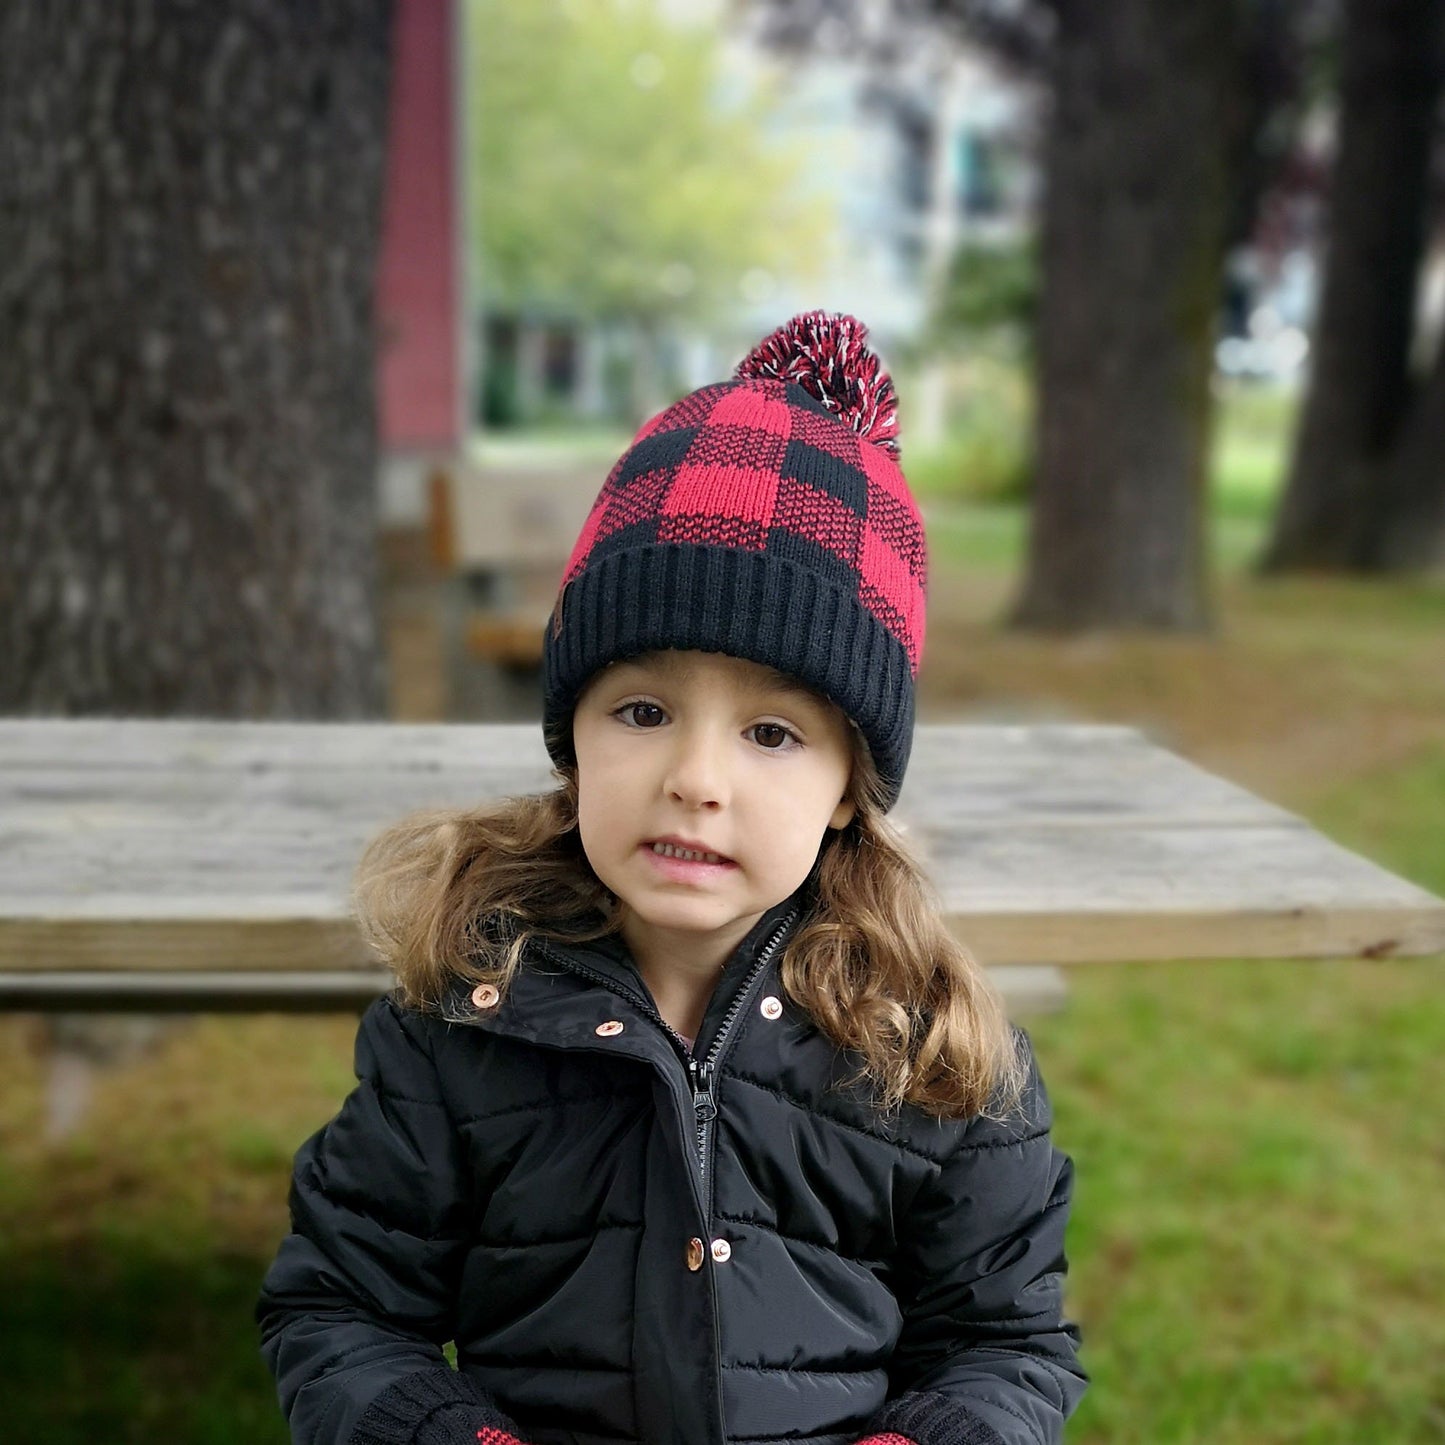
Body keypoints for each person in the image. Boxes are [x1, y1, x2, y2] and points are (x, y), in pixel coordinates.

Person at [256, 311, 1086, 1445]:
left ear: (851, 782)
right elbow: (341, 1306)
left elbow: (1003, 1342)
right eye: (642, 712)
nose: (697, 779)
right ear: (572, 740)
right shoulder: (463, 1015)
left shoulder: (929, 1049)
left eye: (772, 734)